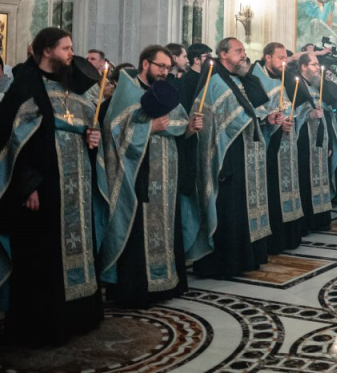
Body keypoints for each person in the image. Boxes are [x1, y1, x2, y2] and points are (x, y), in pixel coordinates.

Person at [0, 28, 103, 346]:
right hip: (44, 188)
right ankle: (44, 324)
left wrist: (92, 139)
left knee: (78, 250)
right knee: (42, 257)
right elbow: (11, 142)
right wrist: (27, 185)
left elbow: (88, 126)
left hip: (77, 186)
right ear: (47, 50)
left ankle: (79, 315)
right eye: (67, 48)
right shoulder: (25, 86)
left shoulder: (71, 86)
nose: (73, 53)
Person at [97, 45, 201, 307]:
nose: (165, 71)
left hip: (167, 174)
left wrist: (189, 128)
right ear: (145, 64)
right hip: (138, 174)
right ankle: (138, 290)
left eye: (168, 67)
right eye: (161, 66)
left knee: (167, 226)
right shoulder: (127, 91)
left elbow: (176, 128)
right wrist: (148, 128)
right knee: (139, 232)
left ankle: (167, 284)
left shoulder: (167, 91)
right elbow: (113, 131)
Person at [188, 38, 272, 279]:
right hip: (226, 155)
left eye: (244, 50)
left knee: (245, 206)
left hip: (246, 153)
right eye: (238, 51)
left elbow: (255, 108)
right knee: (230, 207)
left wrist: (265, 118)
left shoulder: (240, 79)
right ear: (223, 55)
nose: (243, 55)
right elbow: (214, 120)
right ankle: (226, 261)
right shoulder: (215, 83)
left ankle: (249, 257)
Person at [249, 43, 303, 254]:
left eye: (285, 58)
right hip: (266, 143)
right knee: (270, 189)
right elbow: (254, 109)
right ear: (267, 57)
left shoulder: (284, 78)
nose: (284, 62)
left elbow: (289, 105)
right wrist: (272, 120)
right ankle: (272, 238)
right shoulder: (255, 79)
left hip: (285, 140)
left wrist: (289, 120)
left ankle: (288, 236)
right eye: (280, 58)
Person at [294, 53, 333, 233]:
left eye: (318, 65)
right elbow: (292, 113)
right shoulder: (296, 85)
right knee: (306, 180)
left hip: (320, 141)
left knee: (321, 179)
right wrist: (308, 115)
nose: (318, 68)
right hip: (304, 142)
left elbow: (326, 115)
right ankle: (309, 221)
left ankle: (321, 219)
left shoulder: (315, 86)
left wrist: (329, 142)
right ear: (303, 67)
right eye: (314, 64)